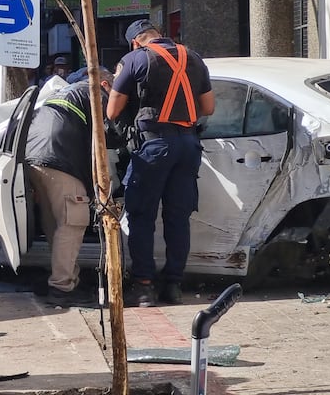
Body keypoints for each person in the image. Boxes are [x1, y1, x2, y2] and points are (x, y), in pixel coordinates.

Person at [105, 19, 215, 307]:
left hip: (153, 146)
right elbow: (208, 108)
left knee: (142, 217)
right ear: (159, 35)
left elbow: (113, 110)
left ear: (135, 42)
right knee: (178, 218)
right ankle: (173, 287)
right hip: (188, 146)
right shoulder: (194, 58)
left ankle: (144, 288)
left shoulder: (135, 60)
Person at [26, 67, 115, 307]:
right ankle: (61, 288)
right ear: (105, 84)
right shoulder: (96, 94)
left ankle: (67, 279)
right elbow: (106, 135)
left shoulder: (63, 93)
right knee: (73, 223)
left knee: (56, 224)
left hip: (35, 158)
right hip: (60, 159)